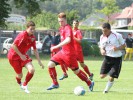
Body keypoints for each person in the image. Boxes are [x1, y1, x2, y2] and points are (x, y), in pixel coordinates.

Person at [46, 12, 94, 91]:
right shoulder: (61, 28)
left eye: (62, 21)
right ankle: (55, 83)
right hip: (62, 52)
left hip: (69, 54)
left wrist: (56, 46)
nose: (60, 23)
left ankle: (89, 82)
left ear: (66, 20)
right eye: (59, 21)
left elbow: (68, 40)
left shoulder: (68, 28)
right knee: (50, 65)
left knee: (76, 71)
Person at [7, 21, 44, 93]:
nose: (33, 31)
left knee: (32, 70)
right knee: (20, 75)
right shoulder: (22, 35)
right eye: (31, 29)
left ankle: (24, 85)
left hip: (23, 55)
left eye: (34, 29)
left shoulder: (33, 37)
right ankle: (19, 82)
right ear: (27, 28)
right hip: (13, 57)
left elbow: (35, 50)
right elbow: (13, 45)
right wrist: (20, 55)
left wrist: (39, 61)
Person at [99, 23, 125, 94]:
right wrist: (102, 50)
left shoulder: (117, 35)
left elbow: (123, 45)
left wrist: (117, 48)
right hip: (107, 58)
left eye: (106, 31)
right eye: (102, 31)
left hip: (117, 59)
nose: (104, 32)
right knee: (101, 76)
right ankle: (111, 71)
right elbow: (102, 46)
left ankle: (106, 90)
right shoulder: (102, 37)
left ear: (110, 29)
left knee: (111, 76)